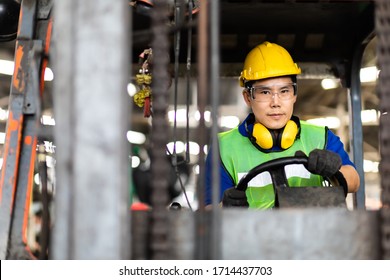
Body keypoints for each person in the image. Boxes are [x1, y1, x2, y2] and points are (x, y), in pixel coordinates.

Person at [205, 41, 360, 209]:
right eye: (265, 92)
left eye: (284, 91)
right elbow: (207, 211)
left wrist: (334, 170)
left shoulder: (320, 137)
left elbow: (354, 181)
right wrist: (225, 207)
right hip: (251, 234)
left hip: (311, 232)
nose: (276, 102)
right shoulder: (224, 148)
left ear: (294, 95)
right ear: (248, 98)